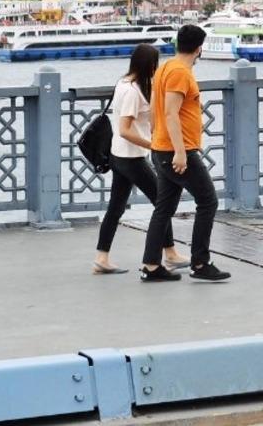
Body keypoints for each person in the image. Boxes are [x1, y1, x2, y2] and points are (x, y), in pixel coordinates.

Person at [140, 25, 230, 282]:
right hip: (178, 151)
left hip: (162, 147)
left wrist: (157, 138)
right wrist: (179, 151)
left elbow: (156, 109)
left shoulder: (166, 67)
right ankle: (200, 262)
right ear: (200, 47)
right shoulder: (180, 72)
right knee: (208, 201)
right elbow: (170, 111)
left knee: (164, 208)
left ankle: (151, 265)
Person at [93, 44, 189, 275]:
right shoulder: (131, 91)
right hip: (130, 158)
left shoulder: (125, 83)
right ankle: (170, 253)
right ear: (149, 65)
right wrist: (153, 145)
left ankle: (102, 257)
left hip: (121, 155)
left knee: (116, 208)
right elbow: (125, 129)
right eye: (156, 64)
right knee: (162, 203)